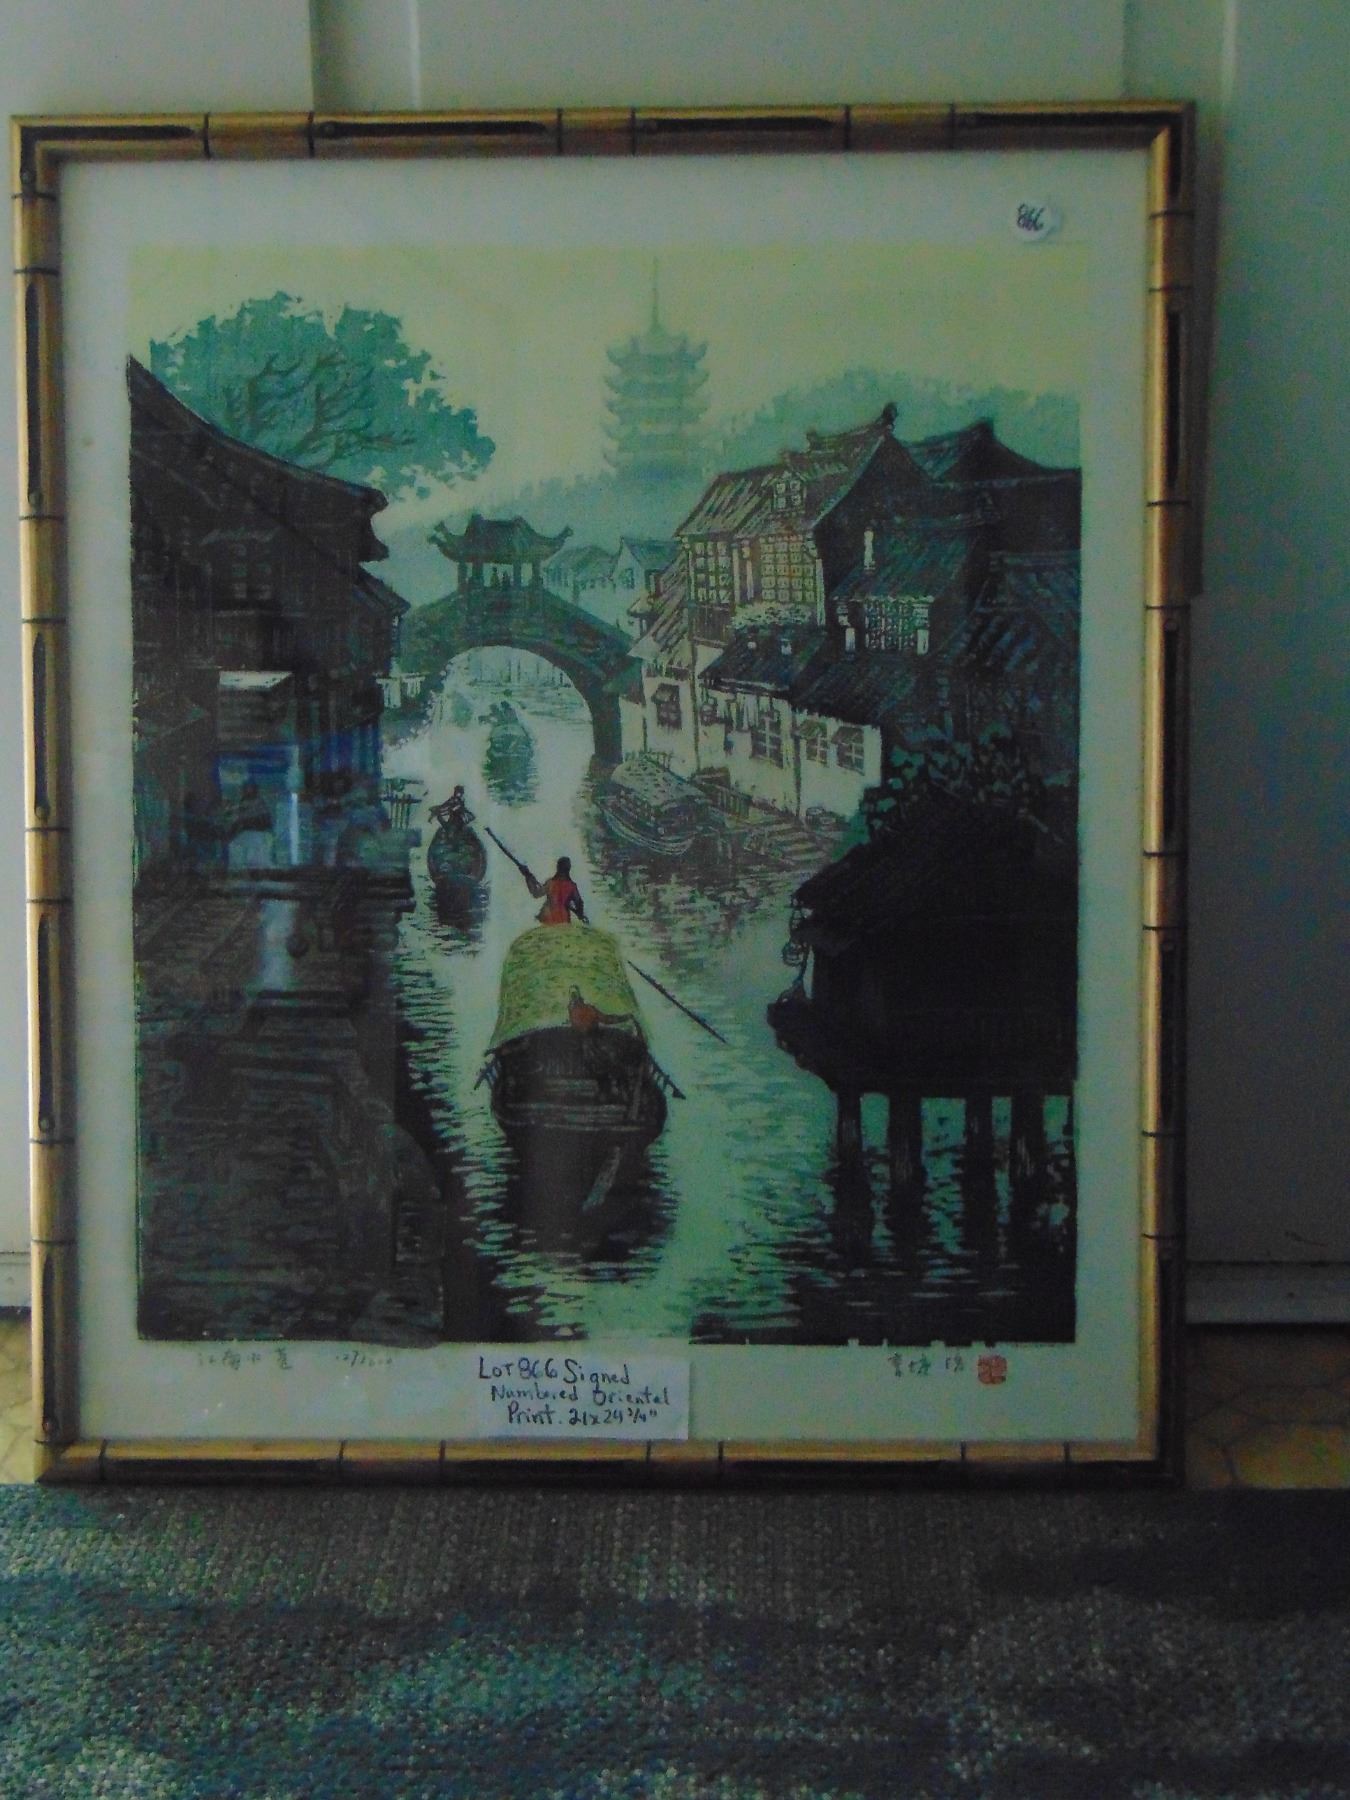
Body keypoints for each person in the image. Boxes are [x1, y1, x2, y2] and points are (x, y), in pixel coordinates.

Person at [535, 856, 586, 926]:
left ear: (558, 867)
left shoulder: (550, 883)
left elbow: (536, 894)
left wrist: (528, 877)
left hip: (548, 919)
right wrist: (580, 914)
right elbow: (579, 903)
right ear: (568, 869)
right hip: (563, 920)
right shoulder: (572, 886)